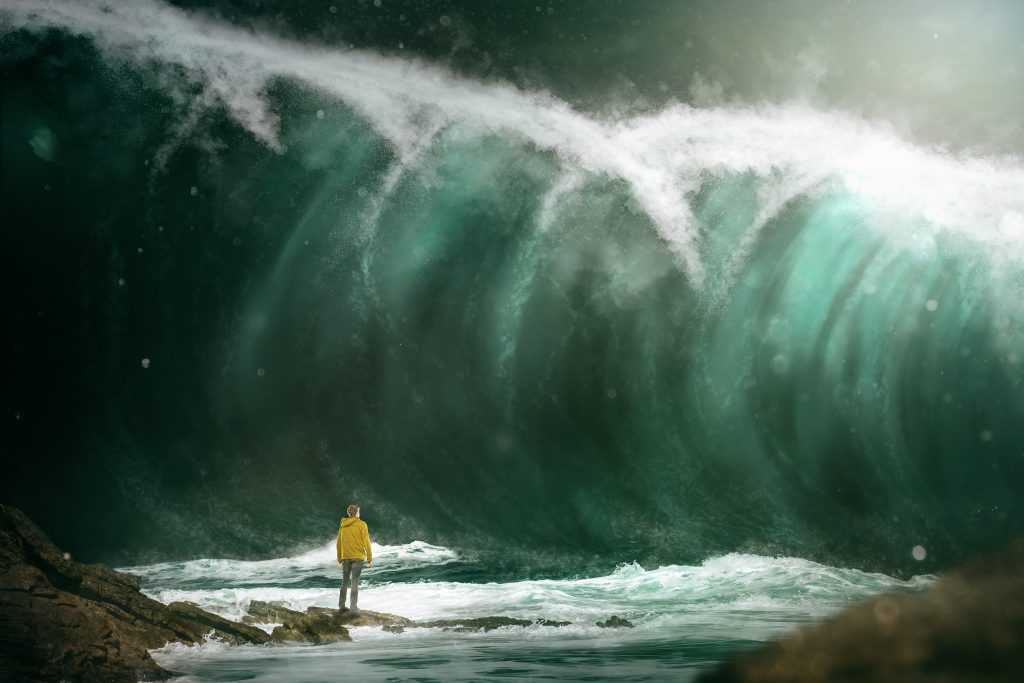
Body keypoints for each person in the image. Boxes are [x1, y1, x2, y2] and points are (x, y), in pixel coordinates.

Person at [336, 503, 373, 614]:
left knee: (344, 582)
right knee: (354, 583)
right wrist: (369, 558)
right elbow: (366, 542)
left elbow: (338, 543)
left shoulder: (343, 525)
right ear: (357, 513)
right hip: (357, 557)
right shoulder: (362, 524)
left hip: (346, 557)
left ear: (348, 513)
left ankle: (341, 606)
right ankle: (353, 609)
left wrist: (339, 558)